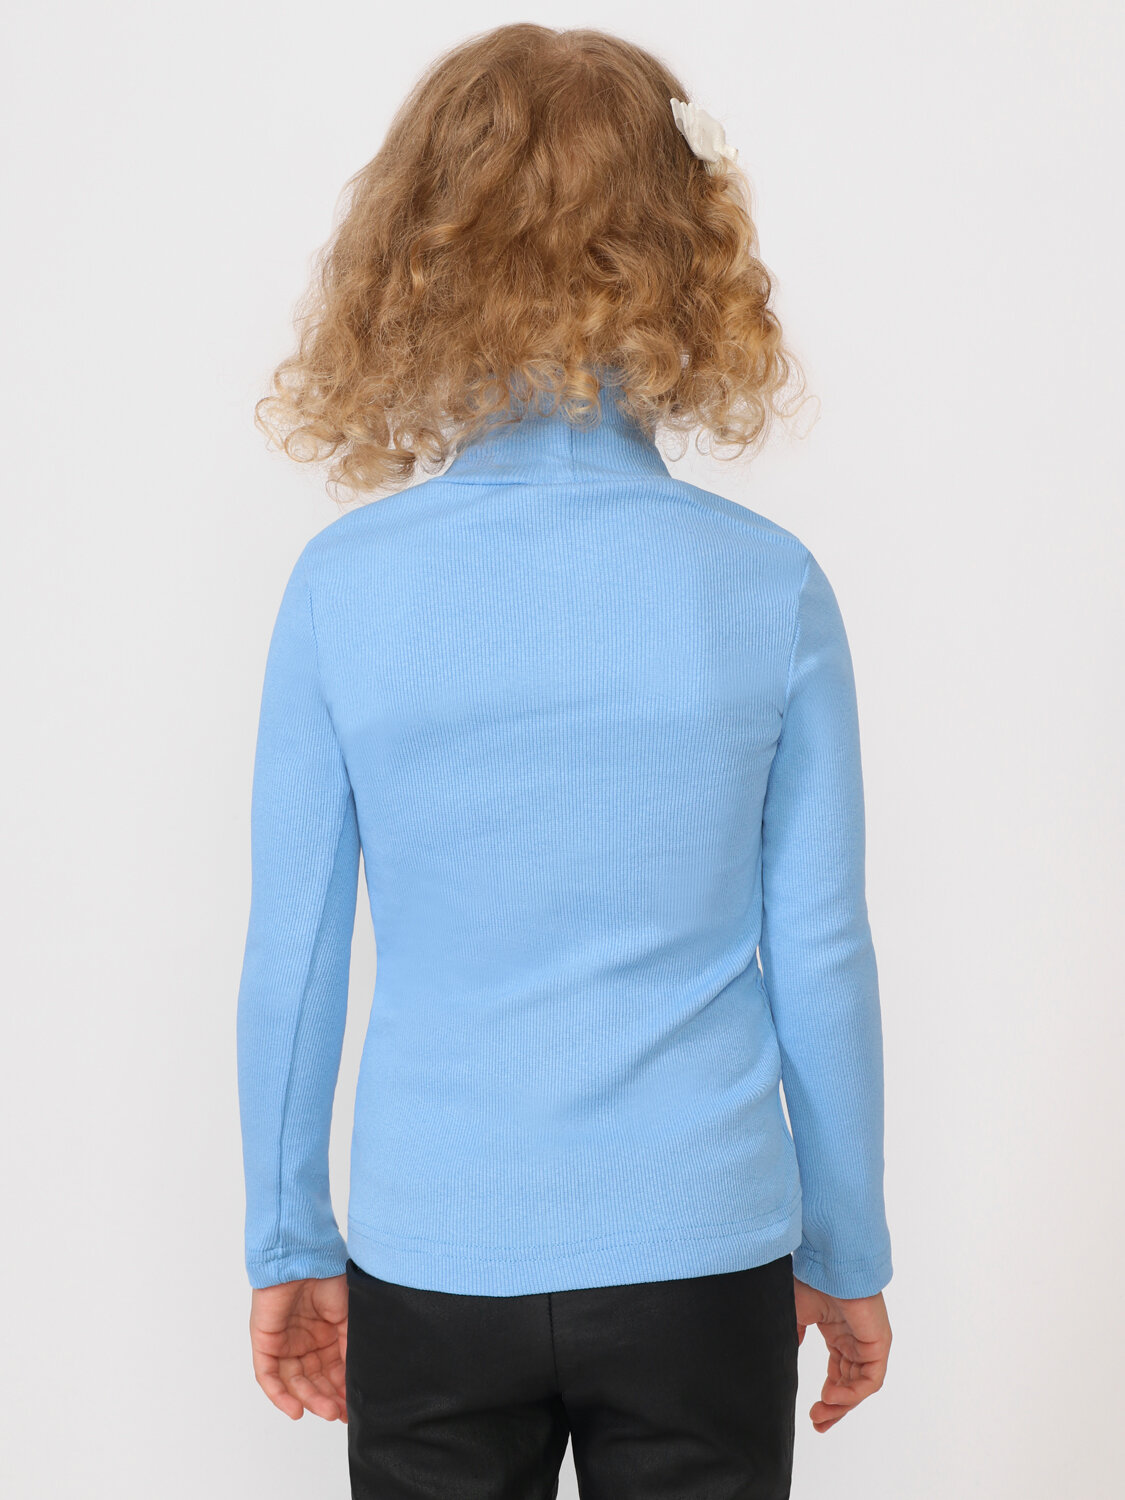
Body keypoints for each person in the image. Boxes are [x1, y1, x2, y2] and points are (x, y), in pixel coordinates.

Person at [236, 23, 894, 1499]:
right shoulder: (767, 584)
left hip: (433, 1249)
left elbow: (294, 953)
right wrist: (847, 1248)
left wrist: (287, 1238)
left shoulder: (344, 586)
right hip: (700, 1248)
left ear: (416, 248)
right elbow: (822, 952)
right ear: (688, 249)